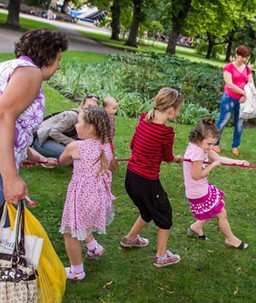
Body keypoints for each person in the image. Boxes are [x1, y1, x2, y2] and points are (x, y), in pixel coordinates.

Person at [0, 29, 68, 205]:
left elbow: (14, 123)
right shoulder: (30, 73)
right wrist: (10, 178)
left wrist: (30, 153)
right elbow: (3, 116)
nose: (59, 66)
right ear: (47, 55)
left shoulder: (13, 66)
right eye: (58, 59)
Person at [121, 88, 184, 268]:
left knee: (147, 210)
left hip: (131, 178)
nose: (178, 113)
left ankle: (130, 238)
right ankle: (161, 256)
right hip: (147, 181)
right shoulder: (165, 133)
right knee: (164, 213)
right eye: (179, 109)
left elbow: (133, 145)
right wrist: (177, 159)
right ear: (171, 110)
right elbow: (168, 157)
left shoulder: (143, 122)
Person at [59, 107, 117, 281]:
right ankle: (93, 247)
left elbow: (63, 160)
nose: (76, 124)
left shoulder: (75, 146)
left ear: (90, 128)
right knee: (83, 222)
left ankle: (77, 271)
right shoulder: (106, 146)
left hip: (81, 197)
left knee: (70, 232)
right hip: (98, 198)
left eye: (79, 121)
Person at [183, 118, 249, 249]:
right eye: (209, 144)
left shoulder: (202, 147)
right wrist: (212, 166)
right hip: (197, 190)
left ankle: (196, 227)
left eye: (213, 144)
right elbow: (196, 175)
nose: (211, 147)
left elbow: (218, 158)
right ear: (198, 138)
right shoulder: (197, 152)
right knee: (221, 212)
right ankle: (231, 239)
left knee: (211, 209)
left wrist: (239, 162)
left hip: (201, 187)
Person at [213, 45, 254, 156]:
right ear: (236, 55)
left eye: (245, 57)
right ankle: (214, 143)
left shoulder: (247, 69)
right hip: (229, 98)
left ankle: (235, 146)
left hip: (242, 100)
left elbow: (250, 83)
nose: (244, 60)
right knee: (223, 121)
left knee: (240, 123)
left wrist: (246, 96)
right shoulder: (228, 67)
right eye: (242, 57)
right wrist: (244, 93)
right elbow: (230, 85)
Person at [32, 94, 100, 158]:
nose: (91, 110)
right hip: (42, 140)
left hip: (55, 140)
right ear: (82, 105)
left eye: (94, 108)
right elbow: (54, 132)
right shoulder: (72, 116)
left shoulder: (89, 120)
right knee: (73, 153)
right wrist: (74, 144)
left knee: (80, 150)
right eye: (89, 106)